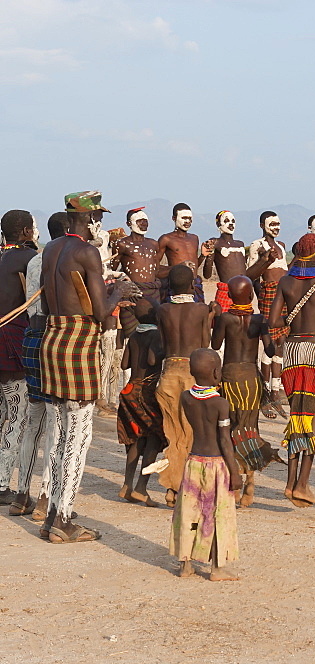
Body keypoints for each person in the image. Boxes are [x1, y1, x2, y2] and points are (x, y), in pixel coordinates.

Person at [39, 191, 134, 543]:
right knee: (79, 435)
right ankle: (62, 519)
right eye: (99, 218)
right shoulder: (87, 252)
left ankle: (52, 513)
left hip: (53, 336)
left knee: (60, 432)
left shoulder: (51, 249)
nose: (100, 224)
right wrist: (118, 290)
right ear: (91, 219)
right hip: (78, 340)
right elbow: (98, 310)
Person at [268, 234, 315, 507]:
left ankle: (289, 483)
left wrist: (294, 316)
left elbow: (274, 320)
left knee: (297, 414)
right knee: (313, 415)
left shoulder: (286, 282)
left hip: (293, 351)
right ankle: (303, 485)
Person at [169, 348, 240, 581]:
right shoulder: (220, 404)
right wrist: (235, 472)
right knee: (217, 514)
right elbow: (225, 441)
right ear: (217, 372)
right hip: (217, 465)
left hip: (193, 462)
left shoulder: (185, 397)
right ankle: (217, 569)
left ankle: (185, 565)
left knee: (188, 513)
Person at [212, 275, 281, 508]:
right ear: (251, 295)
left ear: (229, 296)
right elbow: (270, 352)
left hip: (230, 377)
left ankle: (234, 482)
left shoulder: (225, 319)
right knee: (249, 428)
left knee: (230, 428)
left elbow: (214, 346)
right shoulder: (260, 320)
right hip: (252, 379)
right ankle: (250, 480)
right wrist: (275, 339)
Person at [156, 264, 214, 507]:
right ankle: (190, 487)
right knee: (193, 433)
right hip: (192, 374)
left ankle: (172, 488)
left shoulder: (162, 310)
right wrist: (210, 317)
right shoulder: (201, 309)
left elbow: (161, 343)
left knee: (173, 433)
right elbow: (204, 345)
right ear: (192, 285)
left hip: (169, 372)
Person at [23, 213, 66, 522]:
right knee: (55, 422)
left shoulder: (35, 260)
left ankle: (20, 494)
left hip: (30, 335)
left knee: (33, 419)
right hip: (51, 338)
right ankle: (45, 497)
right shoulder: (60, 260)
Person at [0, 210, 38, 509]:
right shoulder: (28, 259)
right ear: (26, 231)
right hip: (12, 344)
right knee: (16, 416)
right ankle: (2, 485)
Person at [116, 299, 165, 507]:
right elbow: (154, 360)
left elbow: (124, 364)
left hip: (130, 390)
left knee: (134, 439)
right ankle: (141, 488)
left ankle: (127, 485)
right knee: (154, 438)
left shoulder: (135, 335)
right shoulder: (156, 335)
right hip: (147, 392)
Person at [247, 211, 289, 411]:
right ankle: (264, 391)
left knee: (281, 343)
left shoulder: (281, 246)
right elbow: (251, 275)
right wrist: (262, 298)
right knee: (269, 343)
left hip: (284, 296)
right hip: (268, 296)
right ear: (262, 225)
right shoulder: (258, 245)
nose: (276, 227)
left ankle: (275, 389)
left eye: (278, 223)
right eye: (272, 224)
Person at [203, 210, 271, 312]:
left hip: (243, 292)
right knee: (224, 324)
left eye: (233, 221)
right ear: (218, 224)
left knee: (244, 325)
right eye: (226, 220)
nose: (231, 224)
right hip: (226, 292)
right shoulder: (216, 243)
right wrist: (210, 253)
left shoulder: (240, 244)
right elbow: (207, 275)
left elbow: (246, 272)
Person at [112, 207, 162, 336]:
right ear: (129, 223)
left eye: (145, 221)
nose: (144, 224)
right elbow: (112, 270)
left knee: (154, 333)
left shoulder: (153, 244)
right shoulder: (122, 244)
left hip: (153, 292)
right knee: (130, 333)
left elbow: (157, 270)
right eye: (140, 221)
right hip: (132, 293)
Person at [155, 202, 212, 303]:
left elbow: (193, 267)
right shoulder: (166, 239)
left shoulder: (194, 238)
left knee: (198, 315)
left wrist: (203, 256)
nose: (187, 221)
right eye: (184, 218)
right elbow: (155, 268)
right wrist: (178, 268)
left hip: (195, 284)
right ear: (174, 218)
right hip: (177, 286)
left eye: (190, 218)